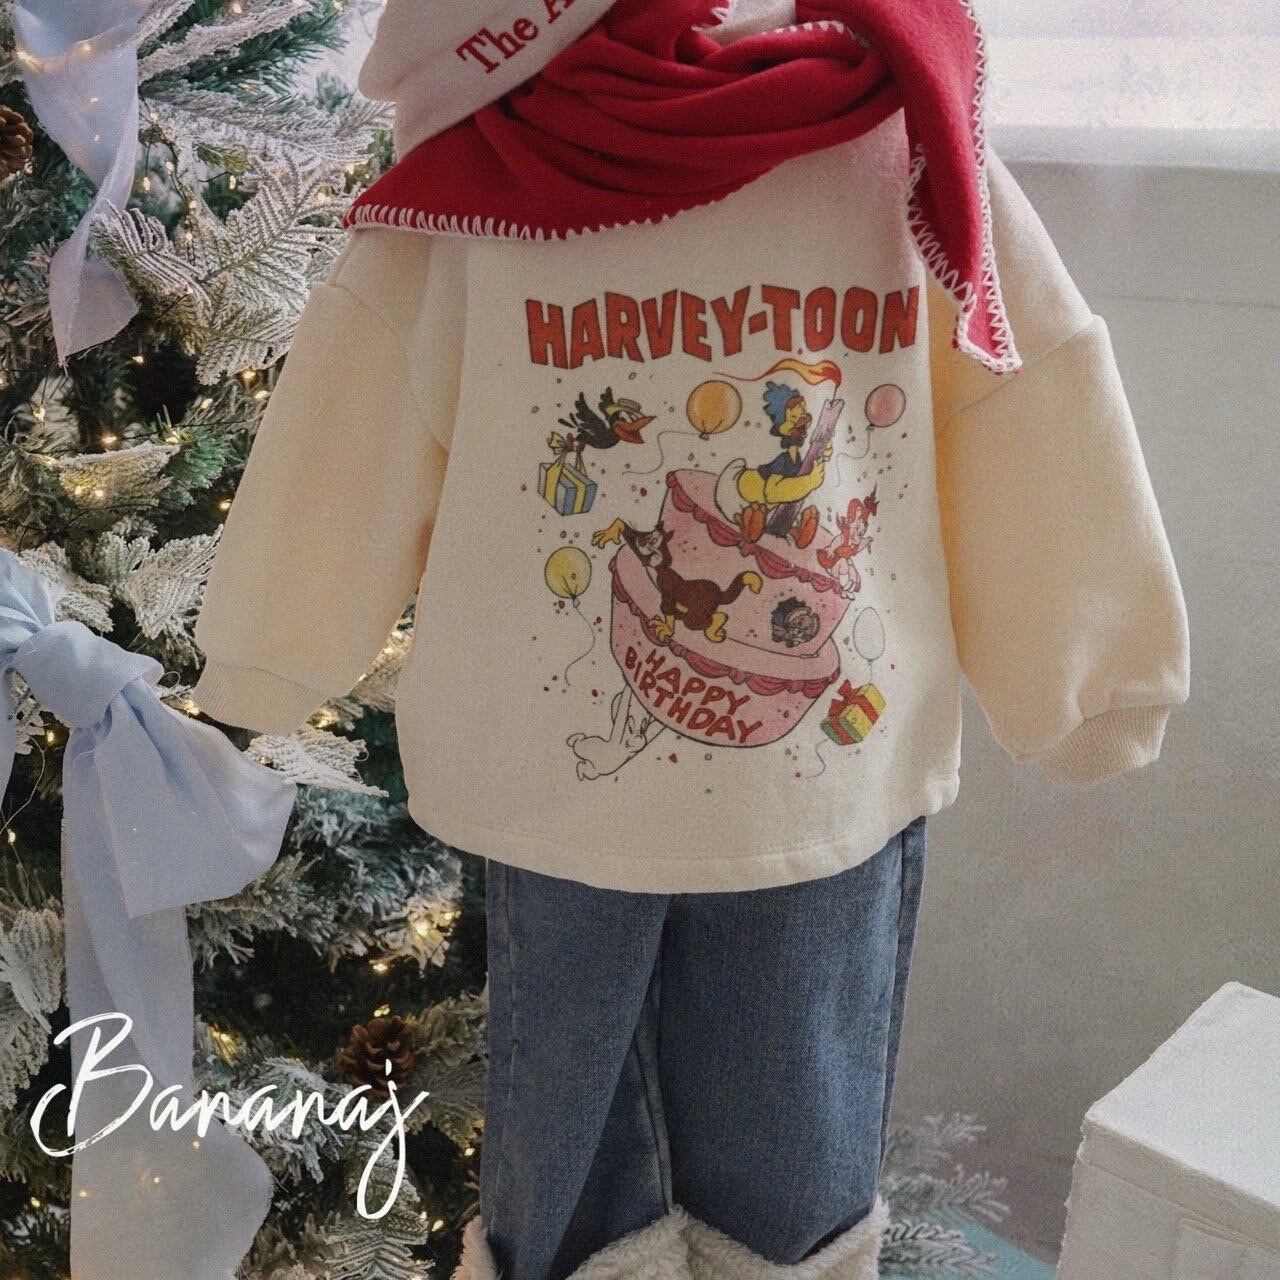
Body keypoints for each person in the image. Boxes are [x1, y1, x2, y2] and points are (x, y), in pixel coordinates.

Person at [193, 2, 1190, 1277]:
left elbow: (1017, 381)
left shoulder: (894, 141)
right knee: (687, 1183)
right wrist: (1090, 672)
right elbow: (369, 377)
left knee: (690, 1181)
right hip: (631, 794)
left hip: (766, 783)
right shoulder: (494, 155)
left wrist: (272, 643)